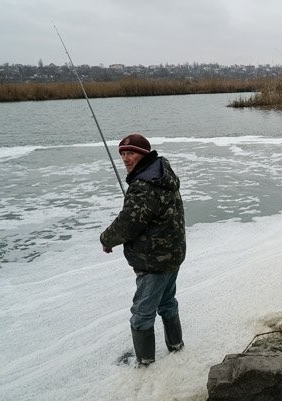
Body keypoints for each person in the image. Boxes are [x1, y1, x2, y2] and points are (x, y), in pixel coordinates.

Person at [100, 133, 186, 367]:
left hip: (154, 261)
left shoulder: (144, 186)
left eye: (131, 153)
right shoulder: (161, 175)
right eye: (123, 154)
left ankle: (145, 364)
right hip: (172, 254)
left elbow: (128, 223)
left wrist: (106, 239)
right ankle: (177, 349)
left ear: (144, 155)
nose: (126, 159)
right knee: (168, 302)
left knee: (142, 315)